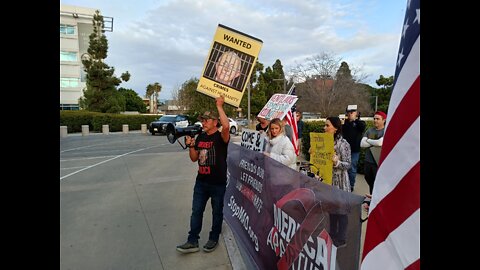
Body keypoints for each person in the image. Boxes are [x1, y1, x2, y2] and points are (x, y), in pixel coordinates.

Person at [176, 95, 230, 254]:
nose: (203, 122)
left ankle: (213, 238)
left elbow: (226, 127)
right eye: (203, 120)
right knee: (196, 211)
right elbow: (194, 159)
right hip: (201, 182)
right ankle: (192, 240)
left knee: (217, 211)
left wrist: (220, 106)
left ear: (215, 122)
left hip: (217, 183)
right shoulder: (201, 136)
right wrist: (192, 146)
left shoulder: (221, 137)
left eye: (207, 120)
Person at [324, 116, 351, 248]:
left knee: (341, 211)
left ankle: (341, 238)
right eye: (325, 125)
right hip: (329, 180)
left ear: (335, 128)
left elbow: (348, 164)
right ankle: (332, 234)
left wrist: (337, 162)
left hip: (340, 181)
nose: (325, 128)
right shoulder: (325, 141)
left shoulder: (343, 144)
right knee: (331, 209)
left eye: (327, 125)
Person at [360, 111, 386, 194]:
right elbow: (362, 144)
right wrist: (374, 142)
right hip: (368, 161)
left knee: (377, 183)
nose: (375, 120)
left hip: (378, 162)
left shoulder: (386, 130)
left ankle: (376, 200)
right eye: (374, 118)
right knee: (369, 180)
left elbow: (380, 143)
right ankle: (372, 198)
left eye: (378, 119)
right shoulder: (370, 130)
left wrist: (368, 140)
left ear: (384, 120)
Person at [342, 106, 366, 191]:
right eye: (349, 112)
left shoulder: (360, 123)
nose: (350, 114)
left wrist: (355, 120)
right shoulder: (345, 123)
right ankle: (344, 183)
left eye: (352, 112)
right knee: (344, 167)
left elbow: (362, 127)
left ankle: (351, 185)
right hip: (344, 149)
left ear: (356, 113)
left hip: (354, 150)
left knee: (352, 168)